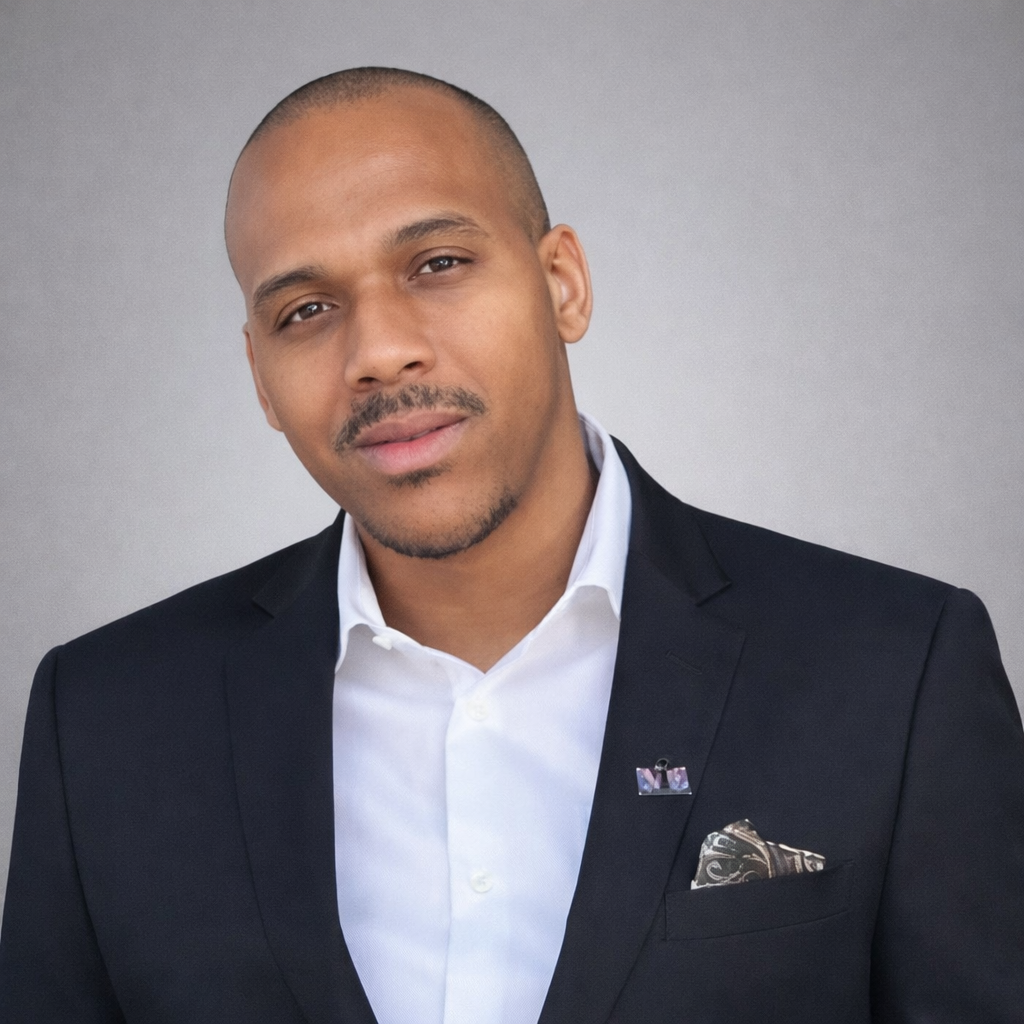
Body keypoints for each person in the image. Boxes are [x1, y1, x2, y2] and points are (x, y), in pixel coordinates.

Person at [1, 67, 1022, 1024]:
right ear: (260, 377)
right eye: (305, 310)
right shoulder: (102, 724)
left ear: (562, 283)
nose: (379, 351)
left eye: (437, 264)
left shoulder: (895, 670)